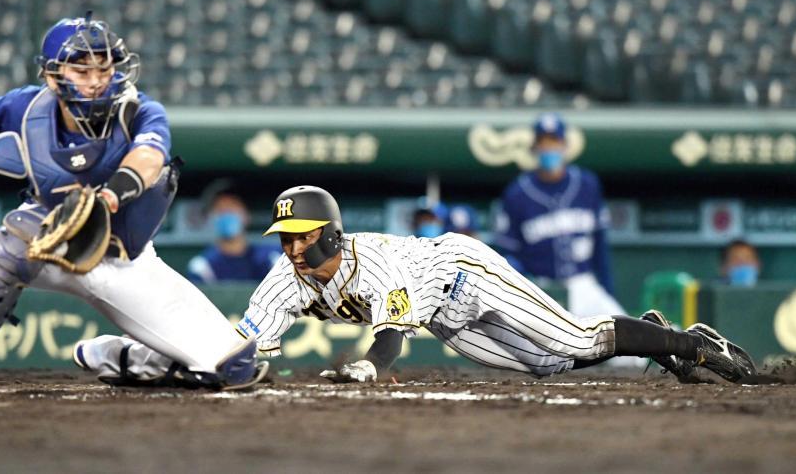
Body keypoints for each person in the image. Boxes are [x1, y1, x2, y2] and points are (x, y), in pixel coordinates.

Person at [0, 14, 266, 399]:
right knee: (8, 245)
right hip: (52, 241)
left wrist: (109, 196)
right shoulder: (24, 109)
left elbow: (147, 159)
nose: (96, 80)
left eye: (104, 69)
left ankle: (121, 356)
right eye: (82, 70)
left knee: (233, 366)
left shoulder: (140, 110)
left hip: (122, 258)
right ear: (53, 75)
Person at [75, 185, 759, 386]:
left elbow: (390, 340)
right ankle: (648, 336)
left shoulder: (373, 264)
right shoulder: (284, 280)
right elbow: (245, 344)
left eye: (302, 236)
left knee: (576, 339)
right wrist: (175, 358)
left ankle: (690, 344)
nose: (291, 247)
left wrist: (368, 370)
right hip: (443, 316)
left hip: (463, 273)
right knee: (552, 365)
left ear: (331, 233)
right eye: (285, 237)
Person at [494, 112, 622, 319]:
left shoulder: (587, 184)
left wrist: (607, 291)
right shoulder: (517, 193)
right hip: (542, 289)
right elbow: (508, 254)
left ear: (565, 145)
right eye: (544, 143)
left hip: (584, 285)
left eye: (554, 142)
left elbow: (600, 245)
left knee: (624, 331)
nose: (549, 149)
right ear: (534, 147)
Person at [187, 187, 281, 283]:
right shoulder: (203, 266)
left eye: (232, 207)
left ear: (246, 215)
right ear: (211, 218)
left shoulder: (269, 259)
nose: (226, 213)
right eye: (220, 209)